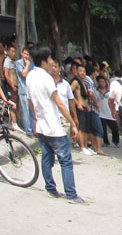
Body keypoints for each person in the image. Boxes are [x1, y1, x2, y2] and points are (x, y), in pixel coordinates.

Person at [26, 47, 87, 205]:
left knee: (47, 158)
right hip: (53, 126)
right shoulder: (46, 79)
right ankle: (71, 194)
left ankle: (50, 188)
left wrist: (37, 117)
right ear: (44, 61)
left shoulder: (30, 76)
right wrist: (73, 123)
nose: (51, 62)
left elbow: (30, 101)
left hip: (41, 125)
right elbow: (59, 103)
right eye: (50, 59)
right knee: (65, 160)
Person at [15, 46, 35, 135]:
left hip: (31, 90)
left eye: (28, 54)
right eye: (25, 54)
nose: (26, 56)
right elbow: (23, 74)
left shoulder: (32, 63)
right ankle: (28, 131)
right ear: (22, 53)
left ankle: (33, 129)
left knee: (32, 111)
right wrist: (27, 65)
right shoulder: (19, 63)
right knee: (26, 111)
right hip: (23, 90)